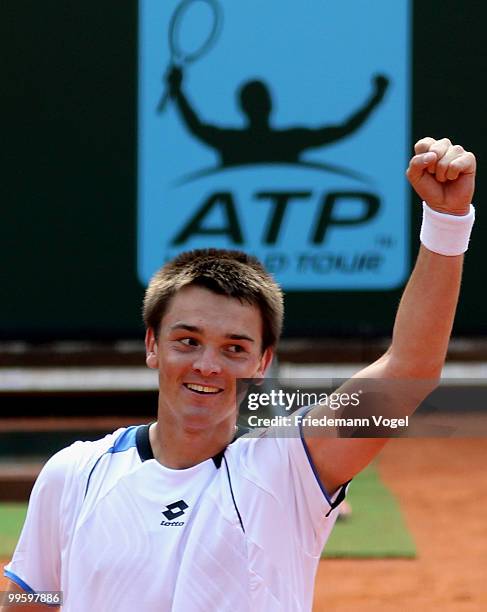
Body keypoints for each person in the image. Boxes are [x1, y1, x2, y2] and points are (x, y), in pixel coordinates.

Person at [2, 137, 476, 611]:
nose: (206, 365)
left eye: (234, 348)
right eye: (187, 341)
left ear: (262, 363)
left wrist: (447, 222)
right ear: (153, 345)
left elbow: (410, 372)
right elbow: (34, 595)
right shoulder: (74, 473)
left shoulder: (290, 467)